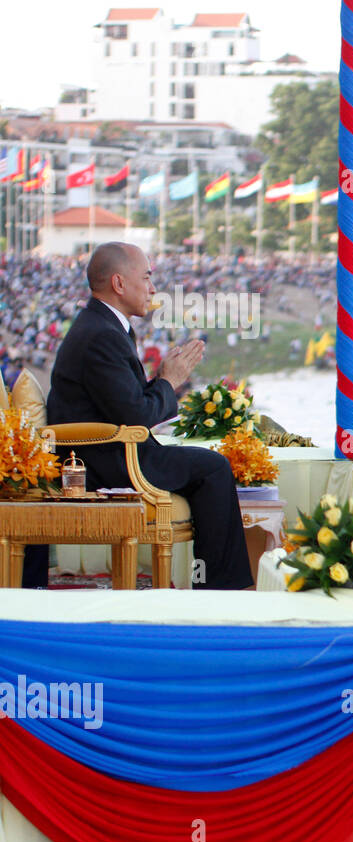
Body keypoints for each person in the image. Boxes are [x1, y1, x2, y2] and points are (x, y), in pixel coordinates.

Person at [44, 242, 253, 589]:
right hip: (102, 460)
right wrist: (168, 381)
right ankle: (220, 588)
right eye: (146, 277)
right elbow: (136, 415)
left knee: (207, 465)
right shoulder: (101, 335)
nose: (153, 288)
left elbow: (129, 405)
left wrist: (162, 383)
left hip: (108, 449)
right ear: (119, 283)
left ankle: (210, 581)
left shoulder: (105, 326)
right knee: (214, 469)